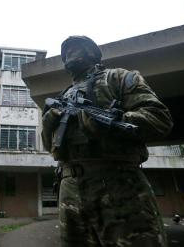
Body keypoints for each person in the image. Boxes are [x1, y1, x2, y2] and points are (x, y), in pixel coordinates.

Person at [42, 36, 173, 247]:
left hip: (118, 183)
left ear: (93, 53)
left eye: (76, 48)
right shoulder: (63, 95)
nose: (69, 54)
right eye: (65, 52)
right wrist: (48, 126)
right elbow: (51, 148)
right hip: (69, 189)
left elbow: (159, 119)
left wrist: (114, 124)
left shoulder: (119, 77)